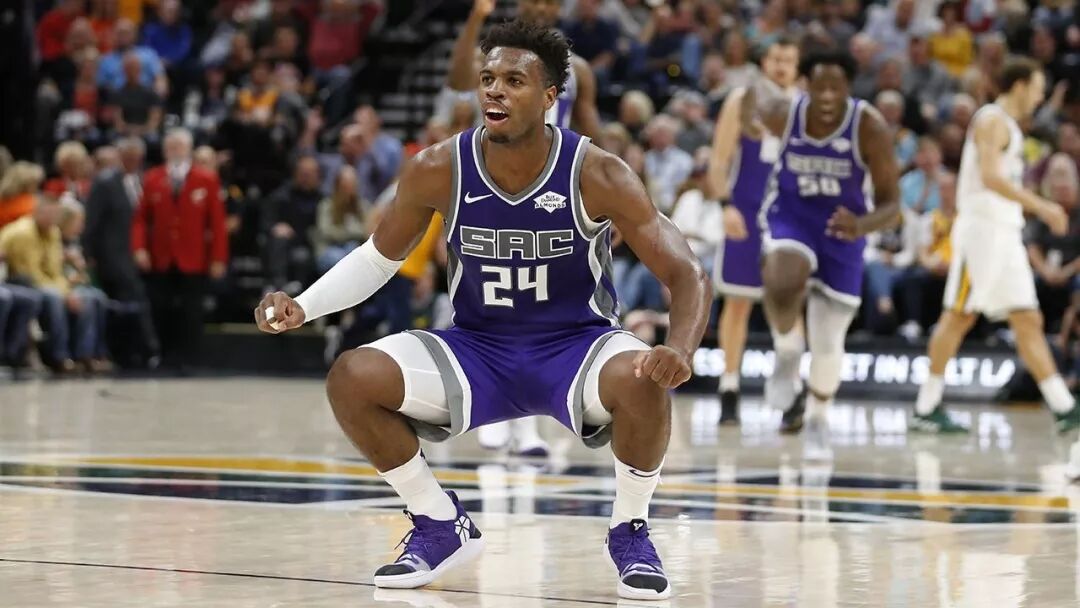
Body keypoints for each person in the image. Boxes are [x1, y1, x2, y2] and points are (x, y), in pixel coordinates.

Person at [255, 21, 709, 600]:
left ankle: (630, 530)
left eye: (514, 81)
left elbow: (687, 273)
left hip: (577, 345)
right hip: (477, 347)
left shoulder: (597, 172)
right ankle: (438, 522)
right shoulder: (438, 166)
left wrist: (681, 347)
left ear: (549, 97)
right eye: (489, 77)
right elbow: (377, 259)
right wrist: (304, 304)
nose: (495, 89)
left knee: (644, 375)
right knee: (353, 375)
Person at [913, 60, 1080, 434]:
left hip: (1005, 232)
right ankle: (926, 407)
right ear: (1019, 85)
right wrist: (1042, 206)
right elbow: (989, 177)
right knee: (958, 316)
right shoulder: (991, 120)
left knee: (1027, 318)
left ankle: (1063, 406)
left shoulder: (1009, 125)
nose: (1040, 96)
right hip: (981, 232)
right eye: (1037, 88)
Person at [751, 50, 901, 460]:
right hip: (793, 218)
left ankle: (817, 417)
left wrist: (862, 225)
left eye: (837, 87)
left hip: (842, 229)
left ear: (849, 88)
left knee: (828, 341)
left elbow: (892, 205)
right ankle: (786, 350)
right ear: (806, 86)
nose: (828, 95)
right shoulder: (785, 114)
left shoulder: (869, 125)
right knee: (782, 279)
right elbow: (749, 107)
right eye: (820, 86)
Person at [705, 36, 799, 425]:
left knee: (789, 306)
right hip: (745, 211)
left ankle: (789, 392)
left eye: (789, 59)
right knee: (738, 303)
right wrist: (724, 205)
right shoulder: (742, 101)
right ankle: (729, 387)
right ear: (764, 62)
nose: (781, 66)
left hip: (788, 217)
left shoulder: (804, 107)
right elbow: (719, 160)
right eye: (776, 58)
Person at [133, 128, 228, 373]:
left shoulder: (206, 179)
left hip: (194, 256)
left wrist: (218, 258)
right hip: (161, 255)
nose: (175, 151)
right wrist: (140, 248)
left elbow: (217, 223)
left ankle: (190, 358)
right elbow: (141, 219)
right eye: (171, 146)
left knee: (191, 310)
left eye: (180, 146)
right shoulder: (153, 178)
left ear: (189, 150)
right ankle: (163, 355)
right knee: (160, 307)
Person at [447, 0, 603, 139]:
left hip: (552, 158)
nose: (541, 8)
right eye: (534, 1)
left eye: (549, 2)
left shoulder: (577, 68)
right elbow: (459, 82)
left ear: (559, 8)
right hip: (496, 154)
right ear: (520, 3)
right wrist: (477, 15)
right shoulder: (493, 56)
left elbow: (589, 126)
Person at [83, 136, 160, 367]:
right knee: (132, 298)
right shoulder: (105, 182)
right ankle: (149, 350)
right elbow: (92, 222)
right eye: (128, 157)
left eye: (136, 157)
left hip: (139, 254)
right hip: (112, 255)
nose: (132, 161)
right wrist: (89, 254)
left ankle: (134, 351)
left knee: (136, 301)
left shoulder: (144, 181)